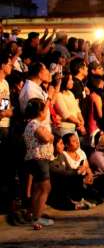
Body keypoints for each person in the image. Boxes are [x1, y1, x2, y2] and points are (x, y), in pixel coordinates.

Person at [23, 98, 55, 229]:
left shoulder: (33, 124)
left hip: (37, 159)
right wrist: (50, 136)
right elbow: (47, 138)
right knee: (45, 188)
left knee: (38, 187)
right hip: (39, 159)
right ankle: (37, 217)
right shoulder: (35, 124)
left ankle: (34, 214)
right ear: (40, 112)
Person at [49, 133, 98, 210]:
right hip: (58, 186)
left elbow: (69, 169)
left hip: (71, 181)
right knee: (75, 179)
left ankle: (79, 199)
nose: (63, 146)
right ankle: (75, 202)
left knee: (96, 195)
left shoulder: (61, 155)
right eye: (61, 144)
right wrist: (78, 171)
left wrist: (85, 172)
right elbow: (62, 172)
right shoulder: (51, 159)